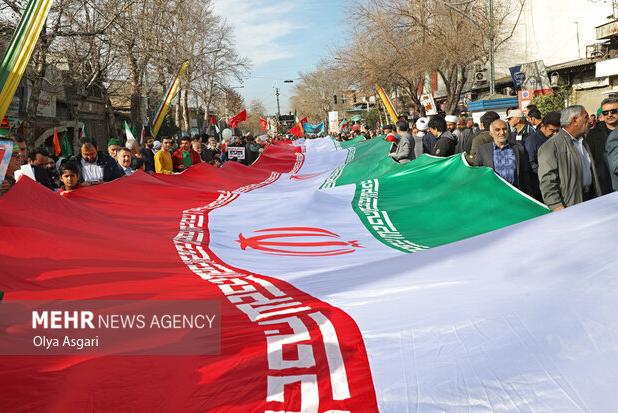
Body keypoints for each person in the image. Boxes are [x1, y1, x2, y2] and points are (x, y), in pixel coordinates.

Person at [538, 105, 601, 210]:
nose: (590, 120)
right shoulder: (551, 146)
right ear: (575, 120)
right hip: (570, 205)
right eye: (586, 117)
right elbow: (548, 181)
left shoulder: (583, 141)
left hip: (590, 198)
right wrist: (557, 206)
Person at [475, 119, 531, 194]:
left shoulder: (518, 148)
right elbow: (478, 174)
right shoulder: (483, 150)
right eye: (497, 130)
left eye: (504, 129)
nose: (502, 132)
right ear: (491, 133)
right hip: (493, 194)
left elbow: (525, 173)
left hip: (515, 193)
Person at [524, 111, 561, 200]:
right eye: (552, 130)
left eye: (557, 131)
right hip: (540, 185)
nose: (555, 134)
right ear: (543, 126)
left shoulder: (556, 139)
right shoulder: (532, 141)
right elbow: (531, 163)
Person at [584, 97, 617, 195]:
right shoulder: (593, 134)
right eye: (606, 112)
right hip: (604, 187)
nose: (609, 115)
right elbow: (589, 161)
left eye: (613, 111)